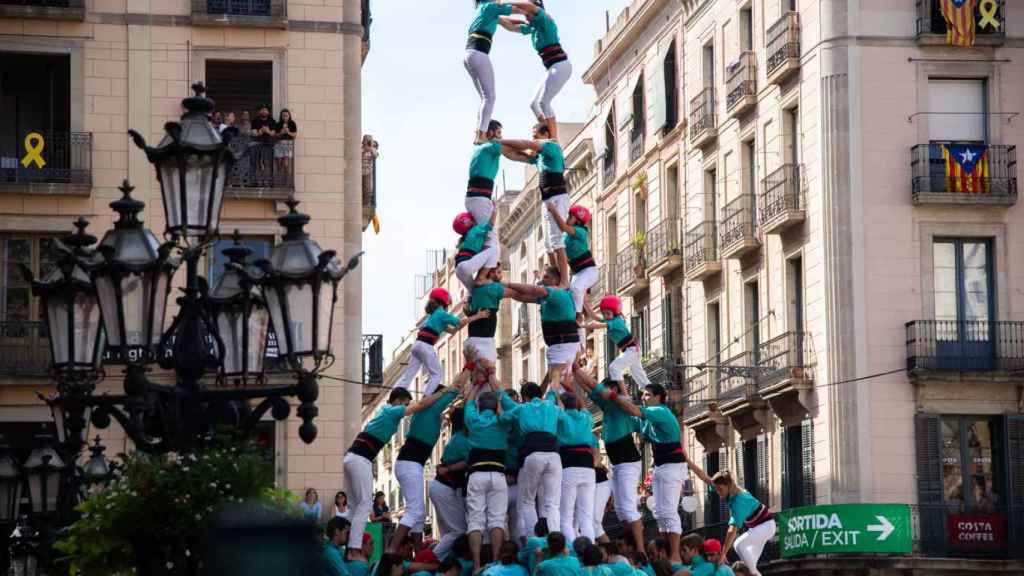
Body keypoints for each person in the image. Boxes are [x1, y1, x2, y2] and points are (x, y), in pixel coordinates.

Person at [343, 387, 450, 559]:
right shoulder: (392, 411)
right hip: (360, 459)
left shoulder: (385, 411)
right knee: (364, 505)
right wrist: (443, 393)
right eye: (406, 404)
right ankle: (353, 550)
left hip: (351, 457)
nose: (408, 408)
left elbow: (405, 381)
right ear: (399, 401)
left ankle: (343, 544)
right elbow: (421, 404)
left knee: (354, 508)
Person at [599, 384, 686, 565]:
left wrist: (615, 396)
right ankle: (667, 551)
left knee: (669, 511)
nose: (644, 398)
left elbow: (632, 409)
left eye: (647, 395)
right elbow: (629, 416)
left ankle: (675, 554)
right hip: (661, 466)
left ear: (659, 397)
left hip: (672, 466)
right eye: (643, 395)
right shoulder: (648, 417)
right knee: (659, 512)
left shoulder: (660, 411)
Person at [390, 363, 470, 553]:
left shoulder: (425, 412)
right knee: (416, 511)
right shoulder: (432, 409)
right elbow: (456, 387)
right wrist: (469, 366)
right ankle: (392, 549)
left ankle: (419, 553)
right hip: (410, 463)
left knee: (419, 513)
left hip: (409, 463)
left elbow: (461, 400)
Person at [571, 366, 644, 553]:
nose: (600, 392)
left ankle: (641, 550)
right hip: (618, 463)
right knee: (621, 510)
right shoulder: (608, 406)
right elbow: (588, 389)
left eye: (605, 389)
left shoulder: (620, 404)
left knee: (628, 507)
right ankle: (631, 547)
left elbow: (592, 385)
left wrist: (575, 368)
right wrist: (572, 378)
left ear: (613, 391)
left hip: (628, 461)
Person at [463, 365, 517, 572]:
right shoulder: (502, 421)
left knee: (475, 520)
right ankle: (495, 561)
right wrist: (499, 396)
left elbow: (467, 401)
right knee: (497, 519)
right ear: (495, 408)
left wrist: (477, 385)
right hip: (498, 475)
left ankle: (477, 565)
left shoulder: (473, 419)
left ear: (479, 408)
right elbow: (513, 412)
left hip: (476, 474)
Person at [502, 124, 570, 285]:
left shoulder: (551, 146)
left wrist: (500, 139)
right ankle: (557, 277)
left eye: (535, 136)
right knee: (548, 244)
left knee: (557, 241)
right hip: (547, 200)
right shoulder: (539, 157)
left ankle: (565, 281)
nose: (533, 139)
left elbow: (525, 144)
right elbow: (513, 154)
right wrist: (495, 145)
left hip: (557, 197)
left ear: (545, 134)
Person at [498, 1, 572, 141]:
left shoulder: (545, 19)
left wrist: (500, 3)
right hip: (552, 68)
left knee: (544, 102)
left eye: (527, 14)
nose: (525, 16)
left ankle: (554, 139)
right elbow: (510, 26)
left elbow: (529, 6)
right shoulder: (533, 28)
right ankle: (547, 132)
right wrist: (493, 14)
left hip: (561, 66)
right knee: (534, 104)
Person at [500, 380, 563, 542]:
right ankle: (555, 539)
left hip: (533, 455)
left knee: (527, 502)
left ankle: (535, 540)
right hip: (554, 456)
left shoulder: (522, 408)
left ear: (525, 397)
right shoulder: (551, 406)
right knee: (552, 503)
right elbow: (555, 395)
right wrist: (554, 375)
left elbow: (503, 417)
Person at [394, 287, 489, 395]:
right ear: (444, 303)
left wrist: (464, 323)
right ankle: (427, 396)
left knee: (409, 374)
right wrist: (478, 316)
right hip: (426, 346)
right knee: (437, 374)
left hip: (417, 345)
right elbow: (458, 323)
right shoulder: (441, 313)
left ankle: (396, 394)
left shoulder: (433, 316)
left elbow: (453, 330)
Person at [686, 467, 775, 576]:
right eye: (717, 489)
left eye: (720, 489)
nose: (718, 492)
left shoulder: (738, 501)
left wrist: (723, 553)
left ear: (728, 485)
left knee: (738, 545)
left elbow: (732, 530)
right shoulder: (726, 488)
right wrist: (688, 461)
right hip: (758, 528)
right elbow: (704, 477)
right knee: (751, 566)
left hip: (765, 527)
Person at [505, 266, 577, 386]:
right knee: (558, 381)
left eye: (546, 277)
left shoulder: (558, 293)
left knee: (558, 382)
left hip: (563, 344)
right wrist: (498, 290)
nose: (542, 280)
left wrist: (506, 283)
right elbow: (521, 296)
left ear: (555, 280)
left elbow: (533, 290)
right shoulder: (546, 298)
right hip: (557, 345)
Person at [464, 0, 521, 144]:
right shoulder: (489, 6)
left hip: (471, 54)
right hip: (478, 53)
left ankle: (479, 133)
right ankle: (481, 134)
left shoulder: (487, 11)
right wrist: (534, 10)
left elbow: (509, 24)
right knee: (490, 98)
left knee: (485, 98)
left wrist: (530, 27)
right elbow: (517, 9)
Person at [545, 203, 595, 342]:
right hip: (578, 273)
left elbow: (563, 227)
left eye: (570, 216)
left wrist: (554, 210)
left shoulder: (581, 231)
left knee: (576, 288)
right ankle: (578, 331)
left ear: (578, 220)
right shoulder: (567, 239)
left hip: (589, 271)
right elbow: (561, 256)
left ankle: (578, 315)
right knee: (570, 296)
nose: (567, 218)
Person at [430, 406, 472, 561]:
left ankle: (442, 564)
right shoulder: (463, 441)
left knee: (449, 533)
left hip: (441, 487)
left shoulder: (457, 436)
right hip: (445, 488)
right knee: (458, 531)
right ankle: (431, 560)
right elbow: (469, 461)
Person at [585, 296, 650, 389]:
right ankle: (652, 390)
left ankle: (623, 394)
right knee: (639, 377)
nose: (605, 316)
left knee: (614, 367)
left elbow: (600, 325)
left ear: (614, 312)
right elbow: (594, 316)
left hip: (631, 350)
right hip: (632, 350)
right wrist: (584, 303)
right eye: (604, 314)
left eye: (608, 313)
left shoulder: (616, 321)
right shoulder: (611, 319)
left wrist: (590, 326)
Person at [557, 392, 596, 542]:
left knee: (565, 516)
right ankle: (590, 550)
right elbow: (584, 406)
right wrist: (571, 389)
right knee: (586, 516)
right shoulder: (587, 417)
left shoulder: (561, 417)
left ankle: (573, 551)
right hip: (587, 467)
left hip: (569, 465)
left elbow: (560, 408)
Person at [453, 210, 500, 292]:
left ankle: (468, 302)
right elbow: (490, 225)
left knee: (474, 292)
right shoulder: (474, 230)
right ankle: (481, 278)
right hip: (466, 266)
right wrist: (494, 210)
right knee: (494, 249)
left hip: (458, 270)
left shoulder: (464, 239)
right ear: (468, 222)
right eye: (472, 219)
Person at [592, 452, 611, 544]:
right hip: (592, 483)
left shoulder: (589, 439)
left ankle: (610, 554)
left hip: (599, 483)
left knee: (594, 524)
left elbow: (598, 458)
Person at [275, 108, 297, 176]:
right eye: (283, 115)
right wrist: (281, 132)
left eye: (286, 115)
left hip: (288, 145)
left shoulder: (292, 123)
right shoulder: (278, 124)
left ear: (289, 116)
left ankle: (286, 180)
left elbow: (294, 135)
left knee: (286, 164)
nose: (285, 117)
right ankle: (280, 178)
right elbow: (275, 135)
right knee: (279, 164)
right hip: (279, 145)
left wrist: (288, 132)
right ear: (281, 116)